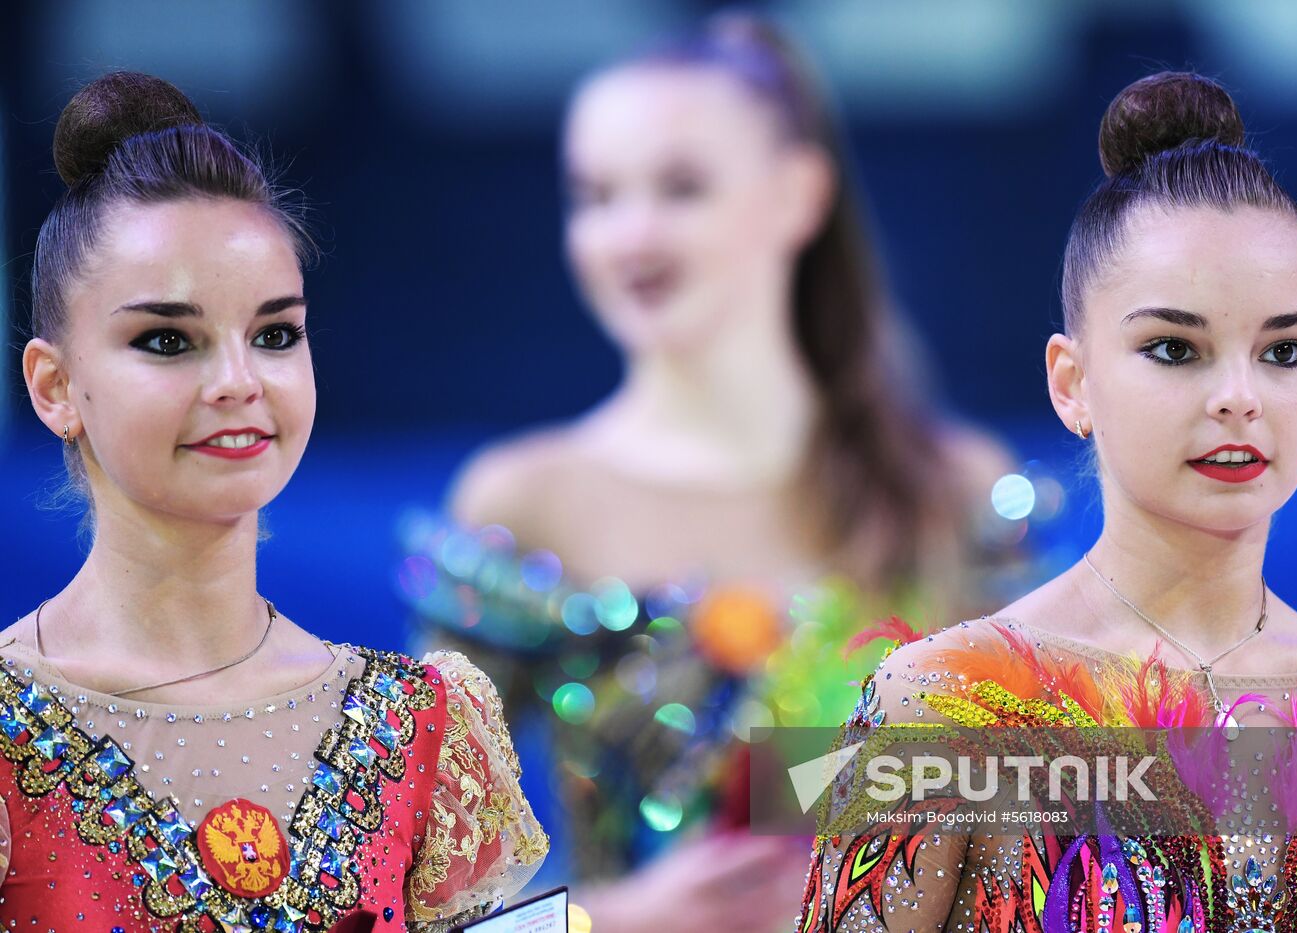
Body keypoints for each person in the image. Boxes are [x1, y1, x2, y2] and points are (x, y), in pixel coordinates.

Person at [414, 13, 1015, 933]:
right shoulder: (524, 502)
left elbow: (1068, 827)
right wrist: (610, 921)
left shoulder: (954, 491)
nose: (631, 233)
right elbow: (421, 911)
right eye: (595, 195)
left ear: (797, 196)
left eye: (681, 187)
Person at [798, 71, 1297, 932]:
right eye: (1174, 348)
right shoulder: (948, 703)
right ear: (1071, 383)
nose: (1239, 396)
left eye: (1286, 352)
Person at [6, 72, 547, 932]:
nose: (238, 382)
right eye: (168, 340)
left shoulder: (420, 726)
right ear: (56, 384)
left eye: (274, 334)